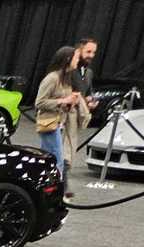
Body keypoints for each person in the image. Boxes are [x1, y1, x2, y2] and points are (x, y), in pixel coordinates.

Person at [34, 46, 85, 185]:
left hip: (58, 123)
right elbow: (39, 102)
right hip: (49, 124)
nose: (78, 61)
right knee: (57, 161)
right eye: (76, 58)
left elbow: (62, 102)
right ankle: (55, 192)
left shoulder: (66, 78)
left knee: (48, 159)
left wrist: (71, 102)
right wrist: (63, 100)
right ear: (68, 59)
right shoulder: (52, 78)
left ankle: (45, 188)